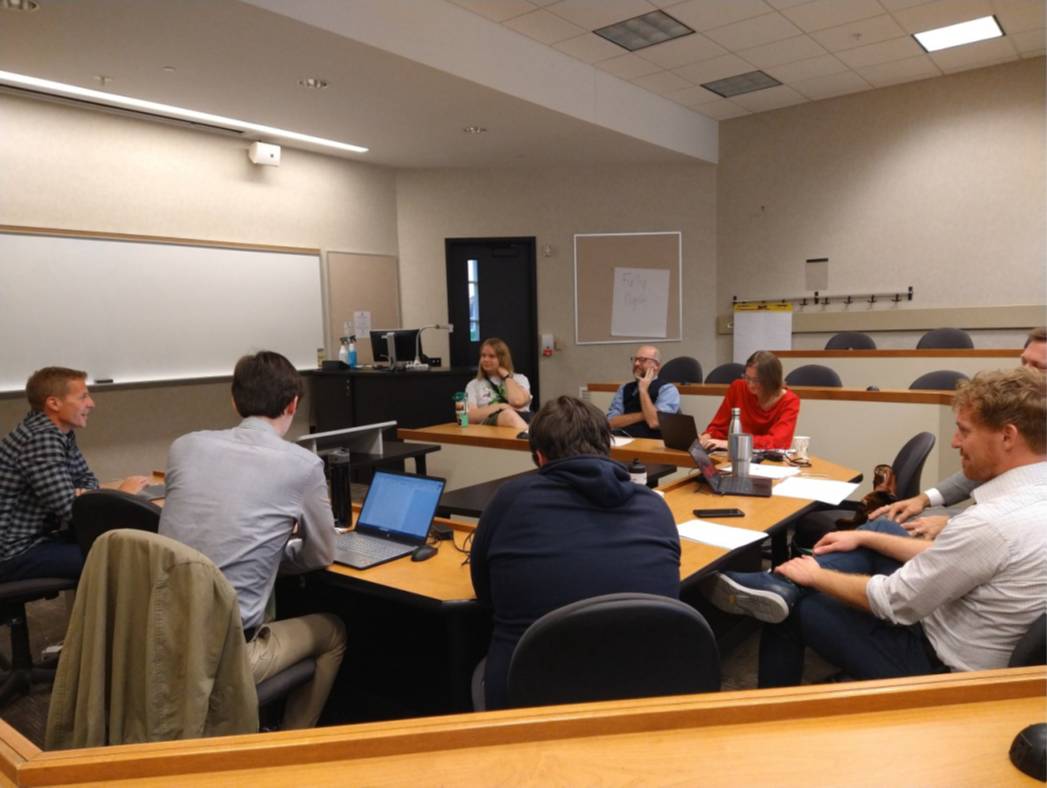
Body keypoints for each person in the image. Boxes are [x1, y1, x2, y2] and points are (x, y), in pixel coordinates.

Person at [705, 367, 1046, 687]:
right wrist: (864, 535)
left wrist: (814, 575)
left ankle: (770, 712)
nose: (955, 442)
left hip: (941, 668)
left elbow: (894, 601)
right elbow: (957, 558)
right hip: (965, 624)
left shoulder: (990, 523)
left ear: (1007, 437)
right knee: (876, 535)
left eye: (965, 431)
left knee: (795, 612)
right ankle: (778, 585)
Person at [158, 351, 346, 729]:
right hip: (226, 656)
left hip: (162, 640)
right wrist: (274, 555)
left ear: (234, 400)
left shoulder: (184, 447)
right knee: (334, 632)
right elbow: (322, 553)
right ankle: (288, 750)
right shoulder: (302, 465)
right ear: (293, 403)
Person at [470, 395, 681, 709]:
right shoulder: (656, 506)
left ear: (539, 457)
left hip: (528, 703)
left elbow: (485, 593)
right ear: (607, 446)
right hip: (642, 695)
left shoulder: (509, 500)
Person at [871, 327, 1047, 540]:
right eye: (1024, 362)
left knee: (885, 530)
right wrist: (923, 499)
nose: (1023, 373)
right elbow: (986, 466)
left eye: (1038, 367)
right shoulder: (1023, 406)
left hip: (1010, 529)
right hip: (987, 517)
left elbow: (1033, 509)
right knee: (885, 521)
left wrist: (951, 523)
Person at [0, 367, 148, 582]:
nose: (91, 404)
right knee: (126, 558)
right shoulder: (41, 439)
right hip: (15, 553)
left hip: (38, 539)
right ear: (54, 403)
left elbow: (87, 480)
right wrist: (124, 493)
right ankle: (99, 616)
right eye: (83, 397)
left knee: (119, 544)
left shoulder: (58, 433)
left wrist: (79, 493)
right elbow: (73, 510)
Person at [700, 350, 799, 451]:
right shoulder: (738, 387)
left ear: (771, 380)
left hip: (769, 461)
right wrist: (708, 436)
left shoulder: (790, 400)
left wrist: (733, 443)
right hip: (736, 454)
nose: (750, 385)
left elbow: (778, 442)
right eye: (747, 378)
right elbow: (719, 427)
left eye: (756, 380)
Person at [605, 345, 680, 438]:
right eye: (635, 359)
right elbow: (611, 422)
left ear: (656, 366)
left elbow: (655, 422)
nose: (636, 363)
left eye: (642, 360)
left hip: (650, 444)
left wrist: (643, 390)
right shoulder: (624, 388)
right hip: (622, 439)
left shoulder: (667, 389)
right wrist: (645, 415)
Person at [465, 337, 532, 432]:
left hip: (521, 420)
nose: (486, 359)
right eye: (483, 356)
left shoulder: (520, 379)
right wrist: (501, 407)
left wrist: (506, 377)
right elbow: (469, 416)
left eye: (492, 356)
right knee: (508, 414)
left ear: (502, 359)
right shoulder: (473, 385)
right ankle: (532, 441)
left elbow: (517, 401)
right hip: (489, 425)